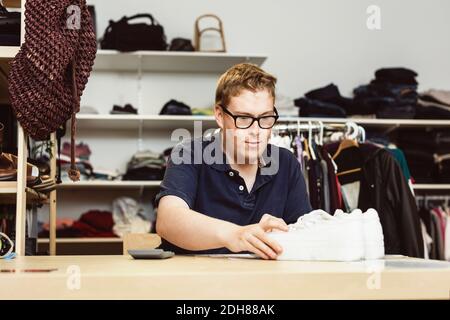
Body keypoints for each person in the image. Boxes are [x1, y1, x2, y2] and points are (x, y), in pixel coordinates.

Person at [156, 63, 311, 259]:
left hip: (263, 285)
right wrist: (236, 235)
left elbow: (305, 234)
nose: (257, 131)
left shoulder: (285, 163)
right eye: (244, 119)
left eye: (265, 118)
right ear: (220, 116)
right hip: (194, 284)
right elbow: (168, 221)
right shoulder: (189, 153)